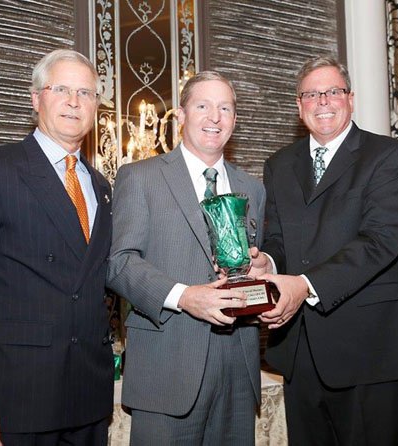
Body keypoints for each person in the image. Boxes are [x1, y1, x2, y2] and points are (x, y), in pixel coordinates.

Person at [0, 49, 114, 445]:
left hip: (88, 399)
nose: (74, 101)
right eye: (62, 89)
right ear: (36, 99)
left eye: (86, 93)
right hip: (16, 399)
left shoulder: (101, 188)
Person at [252, 55, 398, 445]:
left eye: (333, 91)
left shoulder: (389, 157)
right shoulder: (279, 164)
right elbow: (277, 239)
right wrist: (266, 261)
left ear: (351, 98)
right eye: (311, 94)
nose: (323, 101)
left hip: (369, 352)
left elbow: (380, 242)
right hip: (299, 351)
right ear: (299, 105)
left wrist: (303, 285)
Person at [107, 71, 266, 445]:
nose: (215, 117)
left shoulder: (252, 188)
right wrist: (184, 296)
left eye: (225, 108)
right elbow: (119, 262)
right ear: (180, 116)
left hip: (238, 373)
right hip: (167, 368)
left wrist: (266, 265)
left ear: (234, 120)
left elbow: (257, 262)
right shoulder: (140, 177)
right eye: (203, 106)